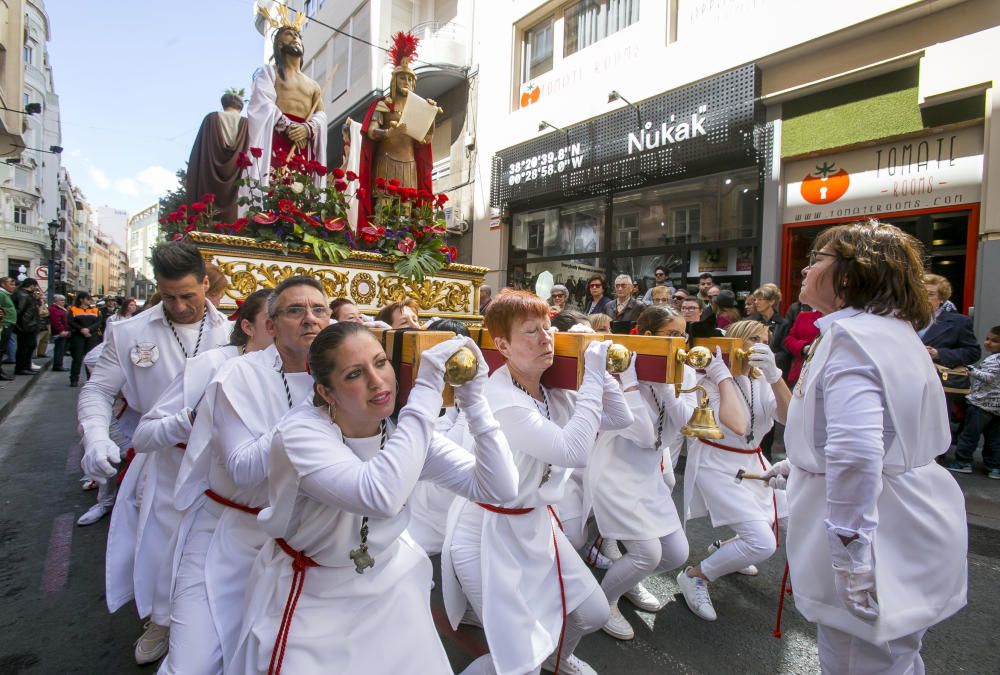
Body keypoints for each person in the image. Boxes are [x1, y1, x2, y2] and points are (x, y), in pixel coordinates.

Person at [233, 326, 517, 674]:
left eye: (381, 363)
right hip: (314, 594)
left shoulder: (404, 432)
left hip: (389, 587)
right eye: (354, 373)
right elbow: (380, 494)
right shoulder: (300, 433)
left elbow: (500, 488)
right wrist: (426, 391)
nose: (377, 381)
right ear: (326, 391)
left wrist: (475, 401)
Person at [764, 220, 967, 673]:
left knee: (860, 660)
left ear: (851, 275)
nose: (804, 269)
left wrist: (851, 553)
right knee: (896, 656)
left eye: (817, 259)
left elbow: (856, 453)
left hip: (880, 525)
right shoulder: (887, 331)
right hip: (907, 509)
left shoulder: (853, 340)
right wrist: (801, 466)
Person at [442, 289, 633, 675]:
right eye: (531, 332)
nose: (546, 337)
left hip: (535, 524)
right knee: (515, 659)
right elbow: (573, 451)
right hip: (485, 535)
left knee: (592, 613)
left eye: (548, 329)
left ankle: (556, 661)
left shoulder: (548, 388)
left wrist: (594, 363)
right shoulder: (501, 398)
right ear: (503, 346)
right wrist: (593, 377)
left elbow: (620, 419)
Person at [77, 240, 232, 665]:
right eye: (168, 297)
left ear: (205, 283)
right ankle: (161, 620)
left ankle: (210, 620)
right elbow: (98, 390)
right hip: (163, 456)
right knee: (162, 542)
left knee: (214, 542)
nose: (180, 306)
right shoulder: (129, 332)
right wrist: (96, 436)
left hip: (221, 459)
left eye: (189, 295)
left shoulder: (232, 330)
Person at [143, 287, 293, 675]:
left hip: (286, 537)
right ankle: (162, 625)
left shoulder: (316, 377)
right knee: (194, 651)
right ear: (256, 326)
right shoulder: (214, 368)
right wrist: (192, 420)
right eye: (283, 317)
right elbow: (145, 435)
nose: (302, 324)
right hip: (222, 523)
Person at [588, 306, 745, 641]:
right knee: (647, 553)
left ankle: (627, 579)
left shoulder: (681, 372)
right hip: (614, 473)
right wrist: (632, 383)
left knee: (676, 554)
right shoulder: (618, 369)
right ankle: (605, 602)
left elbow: (689, 422)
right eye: (672, 335)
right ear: (648, 337)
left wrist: (666, 389)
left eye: (683, 334)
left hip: (647, 474)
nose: (681, 343)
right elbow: (643, 434)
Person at [677, 319, 790, 622]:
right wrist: (723, 376)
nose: (761, 346)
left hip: (751, 460)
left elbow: (789, 416)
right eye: (754, 339)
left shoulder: (762, 376)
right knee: (762, 542)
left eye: (766, 340)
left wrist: (775, 376)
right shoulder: (709, 376)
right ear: (736, 341)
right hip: (717, 463)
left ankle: (726, 549)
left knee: (783, 518)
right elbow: (738, 424)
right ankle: (695, 575)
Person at [357, 31, 438, 230]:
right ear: (394, 80)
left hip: (409, 165)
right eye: (402, 78)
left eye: (410, 79)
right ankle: (377, 246)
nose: (407, 83)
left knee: (406, 212)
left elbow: (426, 140)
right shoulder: (383, 105)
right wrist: (388, 133)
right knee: (383, 210)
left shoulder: (419, 109)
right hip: (386, 160)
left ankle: (405, 245)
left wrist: (432, 115)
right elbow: (371, 131)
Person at [246, 13, 326, 189]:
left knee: (301, 192)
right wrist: (288, 126)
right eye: (289, 35)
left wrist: (307, 128)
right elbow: (262, 103)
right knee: (275, 190)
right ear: (280, 44)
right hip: (277, 138)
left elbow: (321, 115)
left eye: (297, 35)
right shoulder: (270, 72)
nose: (295, 37)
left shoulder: (313, 85)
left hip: (303, 143)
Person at [187, 90, 250, 223]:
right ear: (240, 106)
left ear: (224, 104)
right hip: (238, 180)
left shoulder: (211, 119)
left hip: (209, 177)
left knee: (208, 217)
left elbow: (198, 153)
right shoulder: (246, 123)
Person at [946, 325, 1000, 477]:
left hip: (981, 404)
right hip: (997, 408)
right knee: (994, 438)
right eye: (988, 339)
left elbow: (989, 377)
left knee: (969, 434)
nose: (988, 343)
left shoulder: (994, 360)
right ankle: (994, 467)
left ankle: (963, 462)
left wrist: (970, 370)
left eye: (995, 341)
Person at [68, 292, 102, 387]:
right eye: (87, 299)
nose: (89, 301)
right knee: (77, 358)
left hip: (92, 336)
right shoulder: (73, 309)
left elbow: (98, 322)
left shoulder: (95, 310)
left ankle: (90, 379)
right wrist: (81, 329)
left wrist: (89, 329)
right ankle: (74, 379)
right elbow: (70, 321)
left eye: (90, 299)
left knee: (90, 358)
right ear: (81, 299)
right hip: (78, 336)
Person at [783, 305, 822, 387]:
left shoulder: (843, 319)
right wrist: (803, 347)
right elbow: (789, 339)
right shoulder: (803, 316)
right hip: (801, 372)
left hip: (823, 372)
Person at [12, 278, 41, 375]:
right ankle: (21, 368)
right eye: (35, 286)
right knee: (24, 348)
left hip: (29, 325)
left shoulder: (26, 295)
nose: (36, 288)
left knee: (30, 346)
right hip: (26, 326)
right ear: (31, 285)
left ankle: (26, 366)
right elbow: (19, 311)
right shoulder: (23, 295)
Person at [49, 293, 69, 372]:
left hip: (63, 331)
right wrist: (61, 330)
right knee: (59, 349)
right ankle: (58, 365)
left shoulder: (60, 308)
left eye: (64, 300)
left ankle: (59, 364)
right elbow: (56, 322)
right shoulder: (54, 309)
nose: (63, 302)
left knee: (61, 349)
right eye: (61, 300)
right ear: (56, 301)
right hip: (59, 332)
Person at [0, 276, 15, 380]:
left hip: (7, 324)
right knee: (1, 349)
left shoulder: (6, 294)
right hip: (3, 324)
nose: (14, 286)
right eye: (11, 284)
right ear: (3, 284)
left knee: (2, 349)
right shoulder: (1, 294)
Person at [35, 295, 50, 359]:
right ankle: (35, 354)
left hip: (46, 323)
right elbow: (40, 313)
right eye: (43, 299)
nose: (44, 300)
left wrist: (44, 312)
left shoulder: (45, 305)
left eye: (45, 298)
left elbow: (47, 313)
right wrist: (44, 311)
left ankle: (41, 352)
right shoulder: (37, 305)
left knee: (45, 339)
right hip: (40, 324)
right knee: (38, 339)